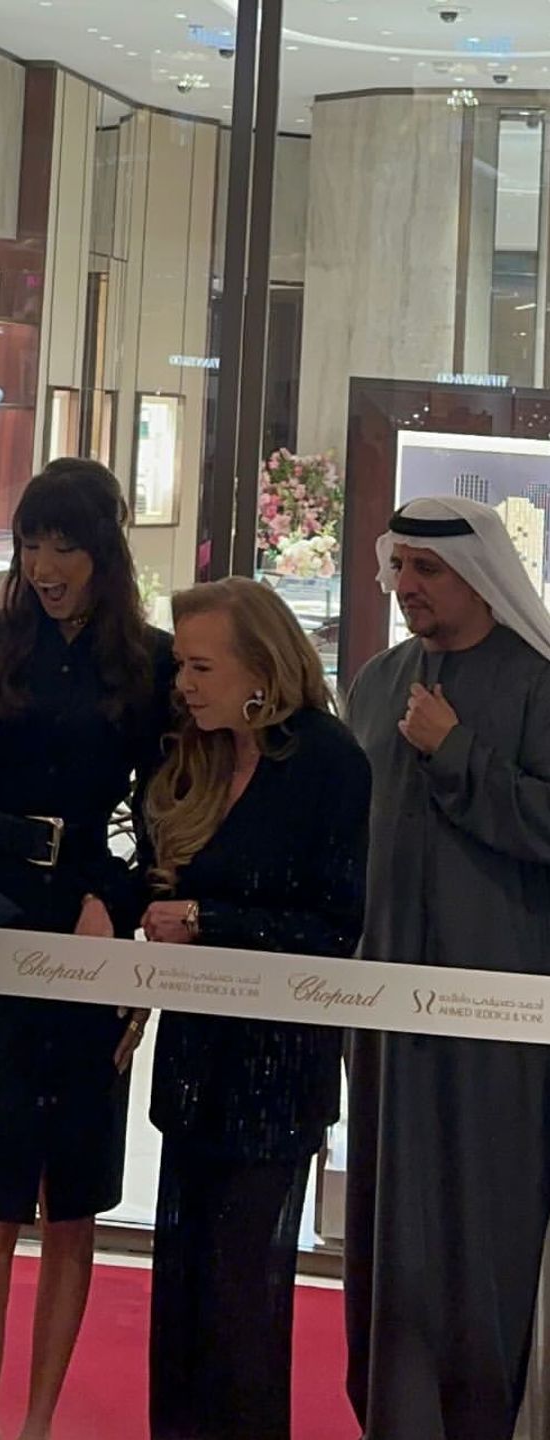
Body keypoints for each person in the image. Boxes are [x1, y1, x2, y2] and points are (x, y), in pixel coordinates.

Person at [0, 458, 174, 1440]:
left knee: (74, 1203)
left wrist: (120, 906)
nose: (47, 563)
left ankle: (37, 1424)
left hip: (95, 920)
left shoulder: (149, 662)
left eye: (67, 543)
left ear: (105, 548)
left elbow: (161, 816)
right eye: (33, 541)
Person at [139, 578, 370, 1440]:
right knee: (185, 1291)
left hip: (276, 1072)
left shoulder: (328, 761)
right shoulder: (196, 753)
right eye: (179, 667)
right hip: (195, 1063)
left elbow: (335, 925)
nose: (185, 684)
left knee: (243, 1302)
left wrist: (207, 920)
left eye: (201, 666)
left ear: (262, 668)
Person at [344, 494, 550, 1440]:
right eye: (399, 569)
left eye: (427, 571)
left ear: (479, 575)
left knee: (485, 1220)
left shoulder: (536, 684)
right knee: (392, 1223)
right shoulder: (377, 684)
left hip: (497, 1014)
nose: (408, 588)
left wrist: (458, 753)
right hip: (386, 1005)